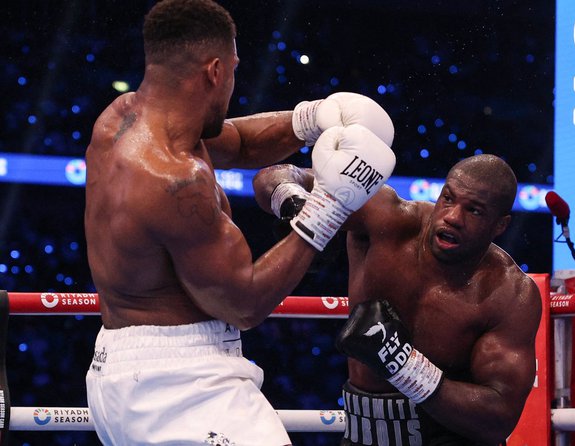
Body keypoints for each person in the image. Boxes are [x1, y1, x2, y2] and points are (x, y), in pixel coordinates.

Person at [83, 0, 396, 444]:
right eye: (233, 68)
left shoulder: (120, 119)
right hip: (178, 385)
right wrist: (329, 203)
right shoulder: (174, 178)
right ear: (215, 71)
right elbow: (244, 304)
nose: (233, 79)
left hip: (128, 371)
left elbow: (242, 142)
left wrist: (310, 118)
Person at [253, 154, 542, 446]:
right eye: (448, 198)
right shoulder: (386, 219)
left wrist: (402, 364)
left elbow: (499, 416)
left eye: (475, 211)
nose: (453, 217)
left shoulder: (509, 293)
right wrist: (300, 209)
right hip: (364, 435)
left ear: (500, 225)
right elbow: (276, 175)